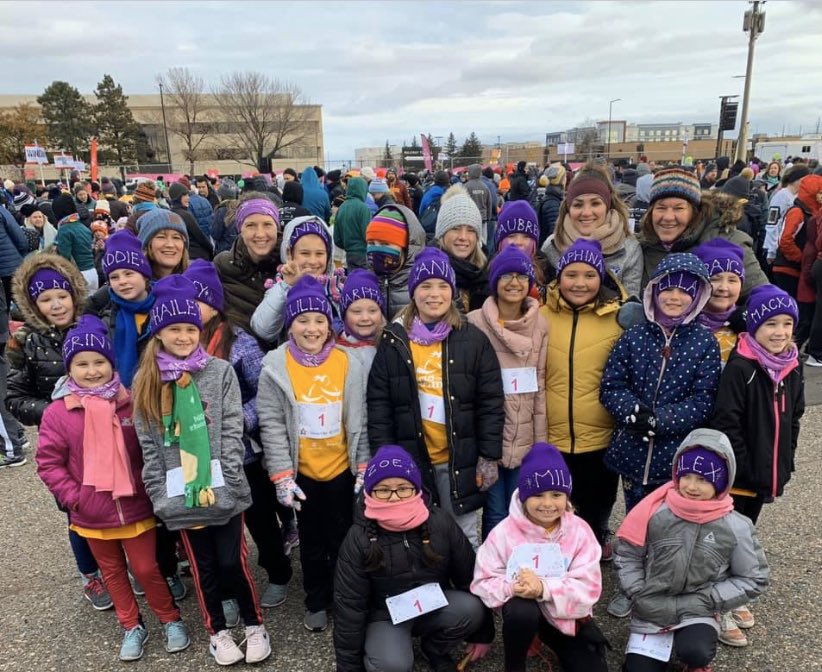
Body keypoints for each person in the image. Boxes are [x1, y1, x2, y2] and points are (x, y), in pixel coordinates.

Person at [133, 275, 271, 666]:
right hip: (180, 496)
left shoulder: (220, 372)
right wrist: (161, 495)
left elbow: (231, 431)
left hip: (222, 489)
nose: (183, 336)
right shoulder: (146, 381)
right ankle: (218, 631)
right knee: (203, 567)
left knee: (233, 561)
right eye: (174, 329)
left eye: (190, 328)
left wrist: (227, 484)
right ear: (159, 333)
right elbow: (149, 447)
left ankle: (253, 623)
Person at [36, 316, 190, 662]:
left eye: (99, 362)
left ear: (112, 363)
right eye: (82, 364)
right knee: (113, 572)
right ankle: (131, 625)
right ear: (69, 368)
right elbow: (49, 463)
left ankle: (169, 618)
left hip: (135, 507)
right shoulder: (58, 413)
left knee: (147, 568)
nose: (92, 371)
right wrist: (76, 498)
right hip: (91, 513)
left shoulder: (132, 402)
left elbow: (151, 448)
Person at [367, 247, 505, 548]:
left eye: (442, 286)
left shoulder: (471, 339)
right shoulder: (394, 341)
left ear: (452, 291)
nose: (434, 294)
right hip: (413, 456)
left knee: (463, 532)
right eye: (425, 286)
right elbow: (379, 405)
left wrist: (488, 455)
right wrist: (385, 455)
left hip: (460, 458)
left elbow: (490, 401)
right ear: (413, 292)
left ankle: (466, 589)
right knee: (418, 530)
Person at [256, 275, 369, 633]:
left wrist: (364, 465)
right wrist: (282, 475)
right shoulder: (275, 366)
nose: (312, 328)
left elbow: (359, 418)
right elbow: (271, 424)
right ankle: (316, 598)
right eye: (303, 320)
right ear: (290, 324)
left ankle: (346, 596)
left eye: (319, 319)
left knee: (345, 539)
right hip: (303, 475)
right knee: (311, 541)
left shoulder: (348, 362)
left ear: (330, 323)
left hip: (342, 470)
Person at [183, 259, 293, 612]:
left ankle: (277, 572)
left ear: (215, 304)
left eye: (198, 301)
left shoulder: (238, 342)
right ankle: (229, 587)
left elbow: (265, 393)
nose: (191, 310)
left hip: (243, 452)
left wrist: (234, 420)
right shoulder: (175, 345)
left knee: (261, 518)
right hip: (200, 457)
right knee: (216, 524)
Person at [7, 254, 113, 608]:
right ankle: (91, 575)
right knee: (77, 511)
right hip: (66, 442)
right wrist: (54, 412)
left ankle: (120, 566)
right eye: (45, 299)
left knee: (114, 499)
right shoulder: (27, 342)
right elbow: (14, 396)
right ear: (34, 304)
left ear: (73, 293)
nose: (56, 305)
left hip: (106, 431)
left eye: (61, 295)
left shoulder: (92, 324)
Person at [616, 429, 769, 671]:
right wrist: (636, 590)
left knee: (695, 652)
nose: (692, 486)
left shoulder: (736, 526)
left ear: (722, 481)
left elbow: (754, 577)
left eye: (704, 479)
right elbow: (628, 554)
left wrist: (712, 599)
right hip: (652, 604)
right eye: (686, 476)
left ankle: (694, 658)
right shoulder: (654, 512)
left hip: (699, 608)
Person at [334, 445, 489, 672]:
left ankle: (434, 648)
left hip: (433, 603)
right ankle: (386, 647)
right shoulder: (358, 538)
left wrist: (483, 634)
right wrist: (348, 667)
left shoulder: (440, 521)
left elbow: (469, 575)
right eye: (383, 490)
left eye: (403, 488)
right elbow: (349, 607)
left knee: (471, 609)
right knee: (393, 665)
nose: (395, 497)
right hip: (385, 615)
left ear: (416, 488)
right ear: (369, 492)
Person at [471, 442, 610, 672]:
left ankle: (546, 639)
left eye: (556, 494)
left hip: (566, 615)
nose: (547, 504)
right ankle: (515, 664)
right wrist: (513, 587)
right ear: (524, 496)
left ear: (566, 496)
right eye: (537, 495)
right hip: (523, 613)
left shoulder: (580, 531)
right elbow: (482, 580)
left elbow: (589, 589)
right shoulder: (504, 532)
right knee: (521, 611)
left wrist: (543, 588)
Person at [600, 252, 720, 517]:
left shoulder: (704, 342)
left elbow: (703, 400)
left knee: (670, 519)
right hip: (632, 447)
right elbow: (612, 384)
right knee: (635, 514)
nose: (674, 297)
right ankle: (633, 556)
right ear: (654, 290)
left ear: (697, 296)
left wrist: (659, 420)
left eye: (684, 291)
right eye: (668, 289)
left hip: (676, 455)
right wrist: (633, 412)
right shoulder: (634, 336)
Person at [542, 239, 628, 559]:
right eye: (572, 274)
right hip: (554, 434)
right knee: (556, 504)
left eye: (589, 275)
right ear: (559, 277)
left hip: (600, 434)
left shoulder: (618, 318)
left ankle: (592, 551)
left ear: (601, 278)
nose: (580, 283)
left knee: (597, 502)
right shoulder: (541, 315)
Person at [467, 246, 548, 538]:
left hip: (524, 435)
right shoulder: (474, 323)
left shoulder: (541, 325)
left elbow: (539, 389)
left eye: (521, 276)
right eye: (506, 276)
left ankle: (519, 570)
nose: (514, 282)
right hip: (488, 435)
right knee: (495, 511)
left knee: (519, 508)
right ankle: (493, 572)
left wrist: (541, 444)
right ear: (494, 281)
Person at [639, 167, 768, 297]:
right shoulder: (641, 247)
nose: (668, 217)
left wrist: (727, 314)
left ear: (694, 212)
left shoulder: (730, 243)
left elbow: (766, 300)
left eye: (679, 208)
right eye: (661, 208)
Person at [541, 163, 643, 297]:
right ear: (568, 208)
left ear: (607, 205)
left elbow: (630, 305)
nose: (586, 212)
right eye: (578, 205)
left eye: (595, 203)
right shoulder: (552, 245)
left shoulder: (629, 249)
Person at [251, 215, 344, 345]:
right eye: (305, 253)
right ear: (289, 253)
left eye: (319, 254)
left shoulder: (337, 290)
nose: (312, 261)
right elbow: (263, 330)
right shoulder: (280, 286)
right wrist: (286, 286)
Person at [87, 231, 156, 388]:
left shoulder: (166, 309)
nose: (122, 281)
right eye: (114, 277)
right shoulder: (106, 321)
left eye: (129, 273)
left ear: (144, 275)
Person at [214, 196, 282, 337]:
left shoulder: (290, 266)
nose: (260, 234)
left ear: (277, 228)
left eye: (267, 224)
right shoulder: (222, 265)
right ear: (240, 230)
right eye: (250, 225)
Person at [434, 184, 489, 313]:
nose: (463, 237)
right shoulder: (428, 272)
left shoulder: (487, 271)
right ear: (442, 233)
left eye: (470, 230)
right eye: (455, 228)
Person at [366, 203, 427, 318]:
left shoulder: (421, 286)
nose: (376, 249)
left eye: (385, 244)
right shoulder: (365, 284)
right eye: (371, 243)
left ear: (405, 247)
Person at [693, 239, 746, 366]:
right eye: (715, 279)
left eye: (732, 280)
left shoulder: (747, 328)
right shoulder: (681, 323)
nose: (723, 287)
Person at [496, 200, 551, 303]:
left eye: (526, 237)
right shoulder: (486, 277)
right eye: (511, 236)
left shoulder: (548, 273)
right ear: (500, 242)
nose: (519, 242)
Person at [335, 268, 386, 370]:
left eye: (372, 311)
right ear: (344, 316)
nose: (365, 318)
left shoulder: (390, 347)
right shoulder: (334, 351)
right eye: (356, 312)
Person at [763, 165, 810, 266]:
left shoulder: (796, 196)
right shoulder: (781, 196)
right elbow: (772, 222)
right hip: (775, 247)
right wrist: (772, 250)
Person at [52, 193, 98, 293]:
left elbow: (65, 257)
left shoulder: (64, 230)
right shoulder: (83, 227)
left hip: (79, 275)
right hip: (92, 272)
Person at [136, 208, 191, 279]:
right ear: (146, 244)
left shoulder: (196, 284)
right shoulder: (132, 287)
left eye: (176, 237)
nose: (170, 244)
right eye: (161, 237)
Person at [167, 182, 214, 261]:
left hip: (184, 256)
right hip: (196, 255)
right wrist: (211, 248)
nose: (188, 198)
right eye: (185, 195)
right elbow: (200, 236)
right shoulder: (185, 215)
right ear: (178, 198)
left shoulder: (170, 214)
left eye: (188, 195)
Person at [333, 177, 372, 270]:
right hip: (363, 253)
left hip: (349, 254)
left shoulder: (342, 207)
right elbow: (367, 234)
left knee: (353, 280)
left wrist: (348, 246)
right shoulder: (363, 208)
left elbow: (337, 238)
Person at [538, 164, 565, 245]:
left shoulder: (552, 198)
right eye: (564, 177)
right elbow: (554, 233)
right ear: (561, 180)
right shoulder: (552, 203)